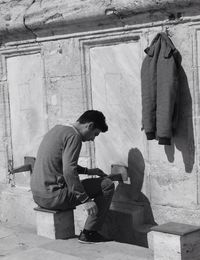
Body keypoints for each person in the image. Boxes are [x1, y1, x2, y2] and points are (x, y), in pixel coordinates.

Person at [30, 110, 115, 243]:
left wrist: (89, 171)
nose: (92, 139)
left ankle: (90, 232)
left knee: (91, 183)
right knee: (107, 185)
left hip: (38, 196)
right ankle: (89, 233)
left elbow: (61, 164)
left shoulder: (57, 129)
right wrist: (85, 200)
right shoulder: (74, 136)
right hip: (53, 197)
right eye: (95, 134)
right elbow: (69, 171)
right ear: (89, 126)